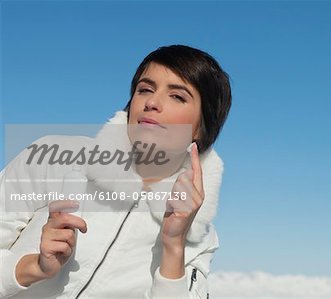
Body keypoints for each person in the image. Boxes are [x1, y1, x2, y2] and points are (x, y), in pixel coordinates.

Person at [0, 45, 232, 298]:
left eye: (177, 96)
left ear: (201, 128)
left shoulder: (200, 238)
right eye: (145, 90)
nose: (152, 103)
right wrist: (32, 268)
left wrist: (174, 246)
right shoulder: (50, 157)